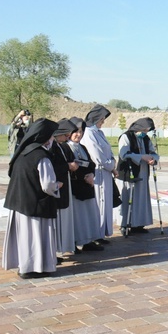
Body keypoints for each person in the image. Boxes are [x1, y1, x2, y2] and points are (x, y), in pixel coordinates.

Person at [2, 118, 61, 279]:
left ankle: (25, 266)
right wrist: (58, 186)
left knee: (24, 238)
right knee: (34, 237)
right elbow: (48, 185)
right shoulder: (42, 156)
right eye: (51, 136)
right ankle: (33, 268)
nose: (52, 139)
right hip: (35, 205)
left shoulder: (22, 152)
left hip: (19, 202)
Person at [66, 117, 104, 252]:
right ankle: (75, 242)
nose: (79, 134)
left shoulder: (82, 147)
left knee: (89, 215)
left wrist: (91, 175)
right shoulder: (66, 147)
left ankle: (88, 240)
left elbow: (91, 164)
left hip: (87, 186)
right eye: (76, 131)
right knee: (77, 217)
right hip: (75, 187)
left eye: (81, 131)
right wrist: (83, 176)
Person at [117, 117, 159, 233]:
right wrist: (141, 157)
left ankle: (138, 223)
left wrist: (153, 159)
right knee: (127, 198)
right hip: (129, 172)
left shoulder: (146, 139)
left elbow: (153, 152)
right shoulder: (126, 137)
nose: (145, 133)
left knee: (141, 198)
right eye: (144, 130)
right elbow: (124, 154)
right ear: (138, 128)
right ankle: (125, 224)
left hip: (143, 171)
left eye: (147, 131)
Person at [81, 105, 117, 240]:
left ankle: (102, 232)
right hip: (98, 173)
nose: (103, 121)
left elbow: (109, 150)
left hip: (107, 172)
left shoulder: (100, 133)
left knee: (105, 203)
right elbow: (97, 156)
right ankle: (96, 233)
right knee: (98, 203)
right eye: (102, 118)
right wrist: (110, 165)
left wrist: (113, 163)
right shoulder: (89, 133)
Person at [51, 118, 79, 262]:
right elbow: (52, 166)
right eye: (65, 135)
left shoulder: (61, 146)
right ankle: (53, 252)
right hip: (56, 188)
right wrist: (68, 166)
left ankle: (61, 248)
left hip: (65, 186)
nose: (67, 138)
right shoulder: (52, 146)